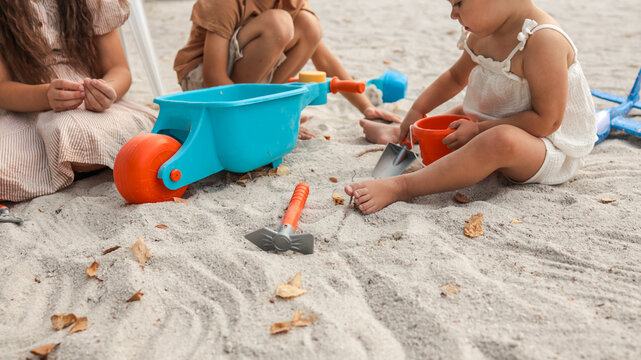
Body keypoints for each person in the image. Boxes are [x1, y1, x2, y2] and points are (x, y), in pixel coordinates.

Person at [346, 0, 597, 214]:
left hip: (545, 147)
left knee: (498, 139)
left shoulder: (543, 40)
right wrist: (416, 112)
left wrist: (479, 130)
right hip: (493, 120)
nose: (453, 14)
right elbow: (455, 78)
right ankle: (407, 133)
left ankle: (404, 187)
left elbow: (547, 122)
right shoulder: (483, 34)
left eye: (459, 3)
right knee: (463, 112)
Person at [173, 0, 400, 139]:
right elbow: (214, 78)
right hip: (201, 79)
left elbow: (323, 58)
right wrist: (265, 121)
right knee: (278, 23)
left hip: (244, 80)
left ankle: (263, 104)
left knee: (308, 25)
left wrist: (367, 108)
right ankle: (257, 111)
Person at [0, 0, 156, 202]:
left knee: (70, 130)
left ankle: (77, 164)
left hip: (93, 105)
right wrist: (46, 96)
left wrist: (108, 91)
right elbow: (2, 88)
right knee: (53, 134)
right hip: (28, 105)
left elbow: (120, 70)